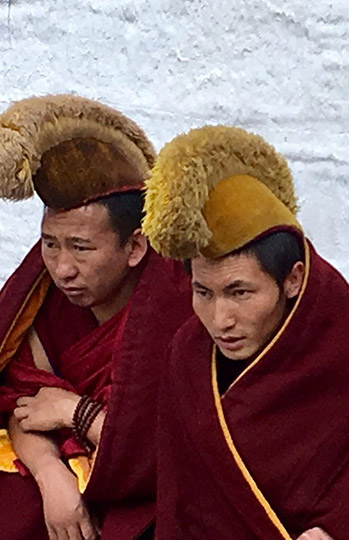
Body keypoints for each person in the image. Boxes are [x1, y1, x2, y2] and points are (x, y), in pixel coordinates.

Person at [142, 125, 349, 539]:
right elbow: (184, 503)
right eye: (203, 292)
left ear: (293, 279)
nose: (220, 318)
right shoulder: (188, 358)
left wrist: (335, 528)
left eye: (240, 292)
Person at [0, 95, 192, 540]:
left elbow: (169, 457)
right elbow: (20, 405)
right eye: (50, 244)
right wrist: (51, 475)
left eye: (81, 248)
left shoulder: (176, 311)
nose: (62, 267)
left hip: (146, 496)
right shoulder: (43, 303)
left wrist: (76, 412)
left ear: (135, 248)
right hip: (72, 473)